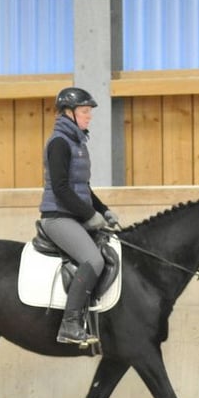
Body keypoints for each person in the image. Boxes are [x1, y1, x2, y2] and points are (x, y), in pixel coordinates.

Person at [39, 87, 119, 345]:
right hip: (58, 217)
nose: (89, 116)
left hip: (75, 215)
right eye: (84, 111)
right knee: (93, 261)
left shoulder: (77, 142)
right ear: (68, 113)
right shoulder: (59, 143)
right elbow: (61, 189)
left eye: (89, 112)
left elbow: (83, 188)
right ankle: (70, 324)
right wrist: (89, 215)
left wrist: (103, 211)